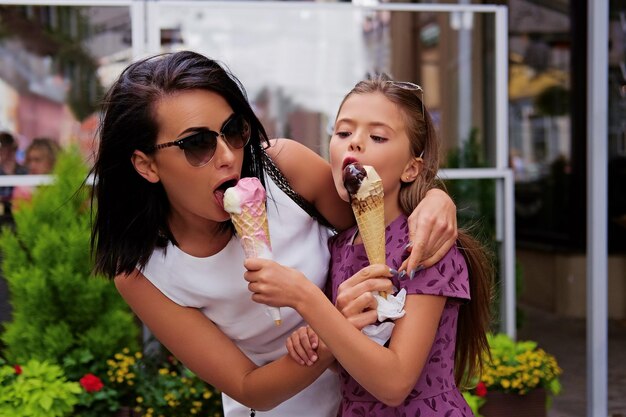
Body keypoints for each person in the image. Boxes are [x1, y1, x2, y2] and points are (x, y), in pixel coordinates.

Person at [90, 51, 458, 417]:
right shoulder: (143, 271)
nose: (228, 156)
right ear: (146, 164)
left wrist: (435, 198)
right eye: (197, 143)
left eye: (234, 131)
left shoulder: (286, 169)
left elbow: (378, 216)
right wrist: (330, 328)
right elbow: (251, 388)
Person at [244, 75, 494, 416]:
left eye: (377, 136)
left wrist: (306, 298)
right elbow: (351, 361)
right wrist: (318, 342)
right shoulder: (340, 246)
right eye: (343, 132)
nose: (354, 144)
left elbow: (394, 383)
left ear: (411, 168)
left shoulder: (426, 248)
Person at [11, 138, 61, 204]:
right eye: (29, 160)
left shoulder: (62, 186)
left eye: (37, 160)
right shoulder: (23, 189)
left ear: (52, 161)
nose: (32, 165)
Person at [0, 132, 28, 218]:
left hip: (21, 213)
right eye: (2, 145)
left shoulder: (25, 171)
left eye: (7, 144)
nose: (5, 150)